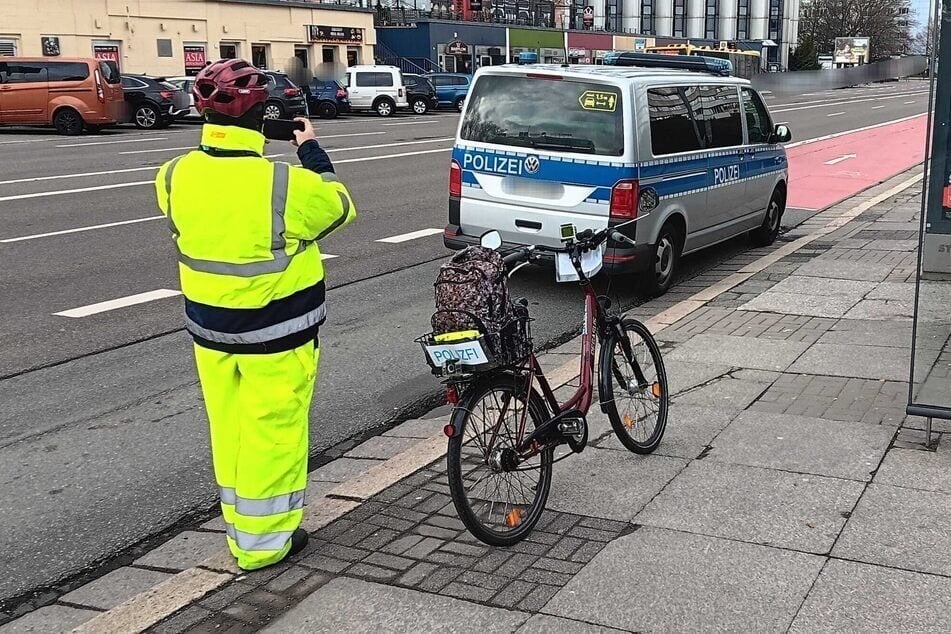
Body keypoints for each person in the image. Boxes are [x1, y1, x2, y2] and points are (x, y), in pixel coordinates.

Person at [154, 58, 356, 571]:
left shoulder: (174, 175)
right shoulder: (284, 184)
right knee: (274, 432)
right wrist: (308, 146)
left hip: (209, 332)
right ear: (263, 117)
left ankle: (237, 524)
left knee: (230, 428)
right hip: (278, 335)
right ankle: (263, 543)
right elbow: (338, 205)